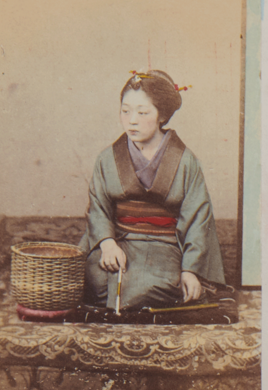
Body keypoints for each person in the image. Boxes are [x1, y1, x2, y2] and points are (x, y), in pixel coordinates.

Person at [79, 70, 226, 311]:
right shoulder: (107, 158)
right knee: (93, 280)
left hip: (163, 244)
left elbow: (198, 219)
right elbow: (98, 208)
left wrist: (190, 270)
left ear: (162, 115)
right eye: (125, 111)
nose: (132, 120)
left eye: (142, 112)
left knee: (148, 287)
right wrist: (107, 243)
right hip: (119, 238)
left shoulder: (185, 161)